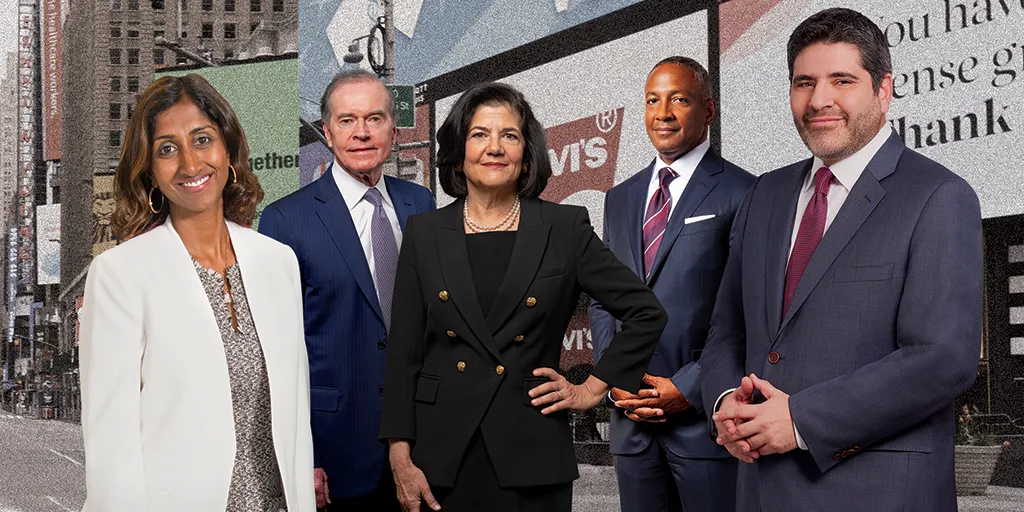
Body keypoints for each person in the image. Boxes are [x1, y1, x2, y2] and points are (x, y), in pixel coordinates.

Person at [701, 8, 983, 512]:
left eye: (842, 80)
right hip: (760, 491)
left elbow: (942, 359)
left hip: (879, 493)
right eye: (803, 82)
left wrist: (802, 419)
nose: (819, 100)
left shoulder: (939, 196)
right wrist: (725, 403)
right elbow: (728, 330)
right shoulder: (765, 194)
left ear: (883, 89)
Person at [379, 82, 667, 512]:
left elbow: (646, 312)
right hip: (441, 457)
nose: (494, 148)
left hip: (531, 452)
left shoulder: (564, 227)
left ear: (527, 152)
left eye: (509, 136)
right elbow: (404, 355)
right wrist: (400, 455)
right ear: (458, 150)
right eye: (479, 134)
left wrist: (590, 391)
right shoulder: (424, 233)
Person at [79, 74, 315, 511]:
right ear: (148, 170)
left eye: (202, 139)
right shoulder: (119, 275)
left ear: (228, 149)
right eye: (167, 148)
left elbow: (296, 422)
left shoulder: (278, 262)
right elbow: (111, 441)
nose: (190, 164)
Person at [258, 70, 435, 511]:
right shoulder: (285, 220)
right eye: (346, 120)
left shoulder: (422, 205)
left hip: (425, 443)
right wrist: (305, 457)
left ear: (394, 132)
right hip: (334, 453)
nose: (361, 133)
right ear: (327, 133)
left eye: (374, 119)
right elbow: (275, 352)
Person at [589, 56, 754, 512]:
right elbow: (605, 301)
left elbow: (747, 309)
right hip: (632, 428)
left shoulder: (744, 191)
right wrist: (615, 374)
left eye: (678, 99)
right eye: (652, 101)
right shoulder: (619, 199)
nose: (662, 113)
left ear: (709, 109)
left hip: (705, 426)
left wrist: (691, 387)